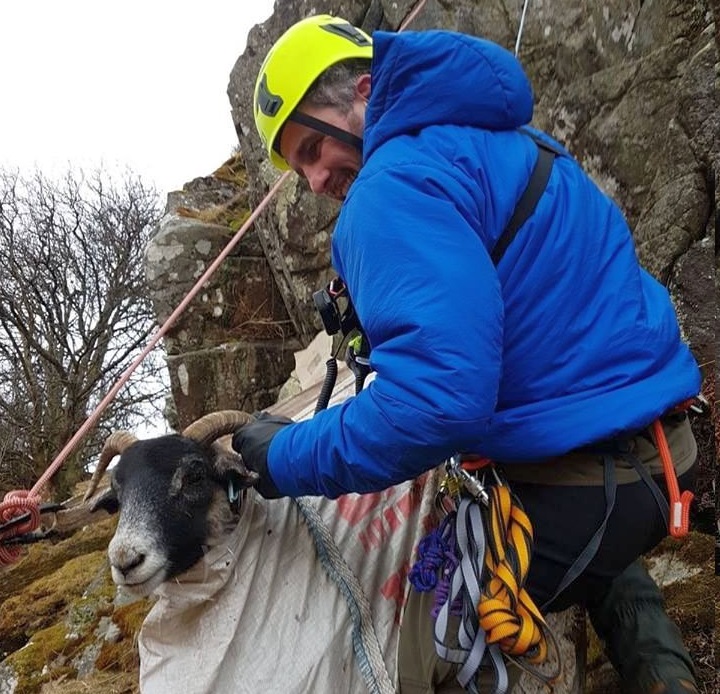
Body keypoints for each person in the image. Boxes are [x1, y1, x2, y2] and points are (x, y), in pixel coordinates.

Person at [233, 15, 701, 694]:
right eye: (298, 165)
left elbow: (433, 406)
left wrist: (283, 458)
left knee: (418, 642)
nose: (311, 182)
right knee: (565, 528)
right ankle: (665, 676)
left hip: (599, 483)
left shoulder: (390, 189)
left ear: (364, 93)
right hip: (664, 456)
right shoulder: (504, 141)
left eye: (311, 148)